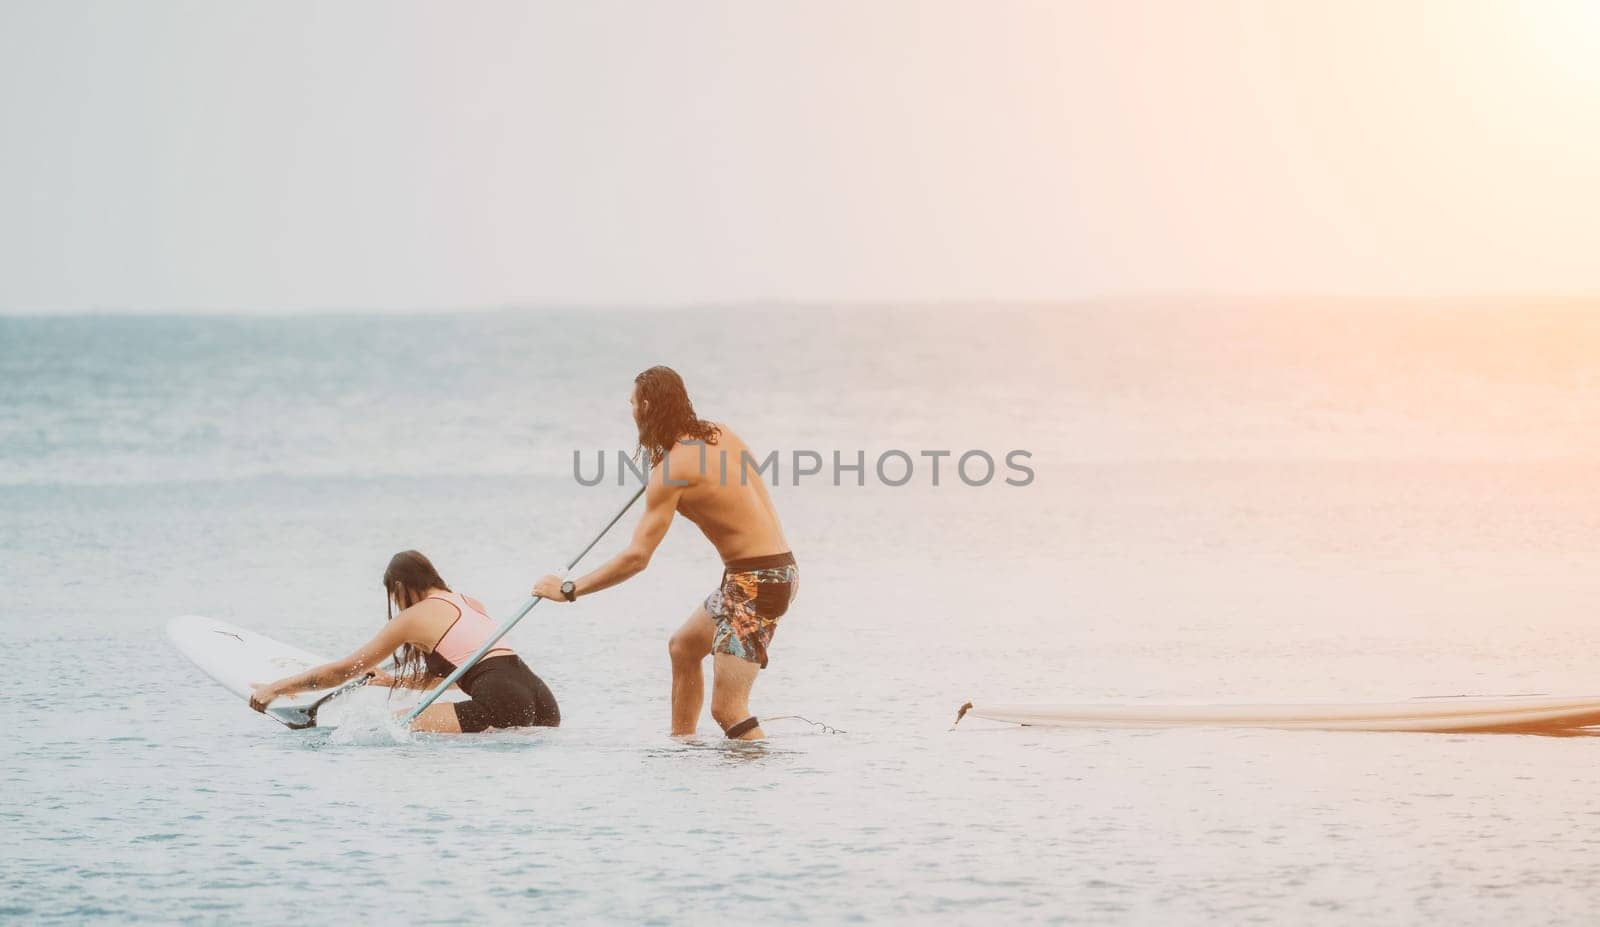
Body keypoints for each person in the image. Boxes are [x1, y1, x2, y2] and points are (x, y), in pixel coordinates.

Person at [533, 365, 796, 740]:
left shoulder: (672, 470)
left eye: (632, 404)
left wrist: (570, 589)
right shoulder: (720, 433)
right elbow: (727, 493)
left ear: (646, 406)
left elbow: (637, 557)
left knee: (727, 710)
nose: (631, 411)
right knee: (684, 648)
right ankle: (682, 747)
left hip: (758, 582)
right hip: (767, 571)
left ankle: (756, 793)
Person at [250, 550, 560, 732]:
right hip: (541, 699)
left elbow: (343, 670)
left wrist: (276, 688)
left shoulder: (413, 618)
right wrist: (389, 681)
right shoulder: (469, 601)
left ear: (399, 587)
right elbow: (457, 677)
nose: (396, 603)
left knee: (386, 731)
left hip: (499, 700)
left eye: (392, 596)